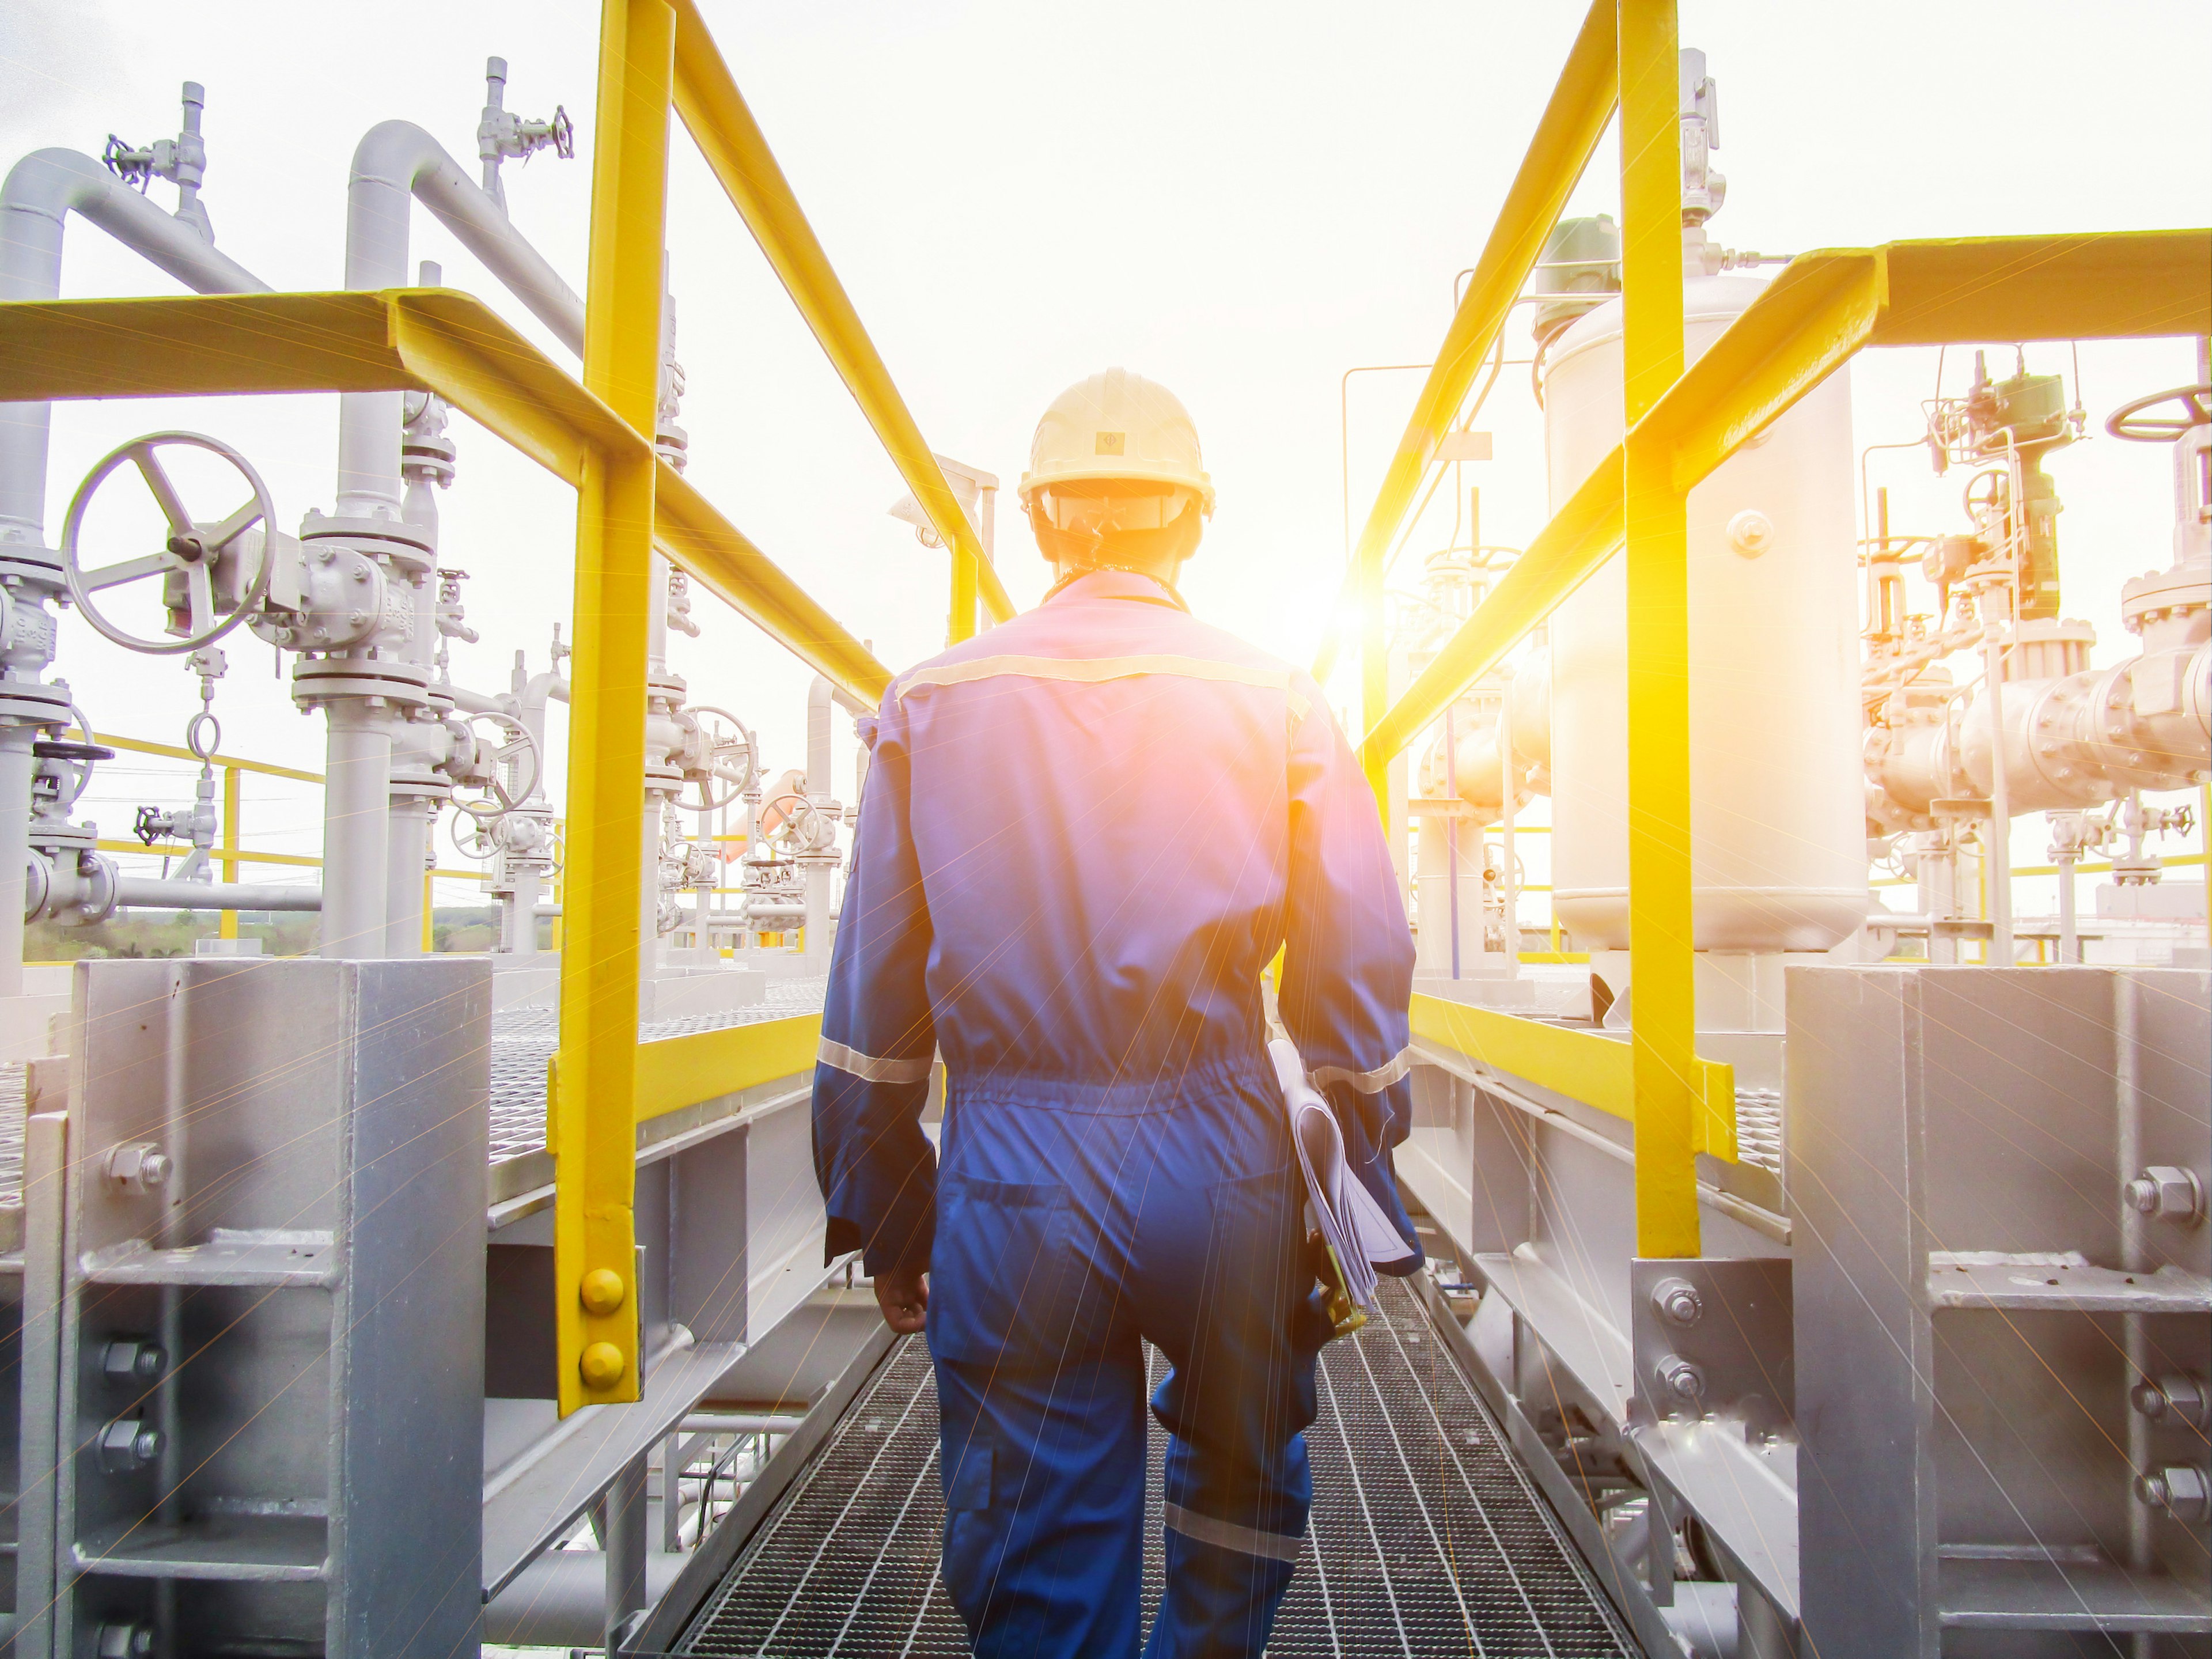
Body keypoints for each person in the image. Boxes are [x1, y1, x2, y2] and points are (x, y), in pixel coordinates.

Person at [810, 368, 1421, 1658]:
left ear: (1040, 522)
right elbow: (1359, 951)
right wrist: (1361, 1154)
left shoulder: (931, 701)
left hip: (1014, 1168)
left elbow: (873, 997)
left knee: (1033, 1524)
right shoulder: (1278, 696)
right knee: (1246, 1474)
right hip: (1222, 1152)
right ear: (1193, 522)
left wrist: (886, 1201)